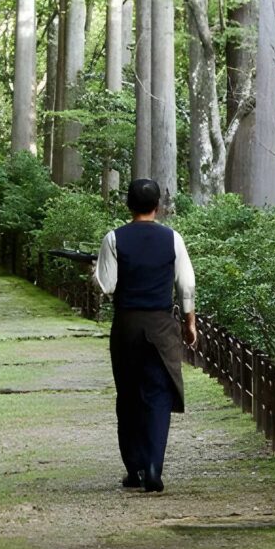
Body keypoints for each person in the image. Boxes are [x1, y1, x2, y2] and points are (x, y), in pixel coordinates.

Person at [93, 178, 197, 493]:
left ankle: (134, 468)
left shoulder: (114, 238)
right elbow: (187, 285)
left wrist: (94, 274)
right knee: (158, 396)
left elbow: (106, 285)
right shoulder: (173, 239)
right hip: (162, 326)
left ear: (129, 205)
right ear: (158, 207)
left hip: (126, 325)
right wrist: (190, 323)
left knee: (128, 396)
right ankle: (154, 466)